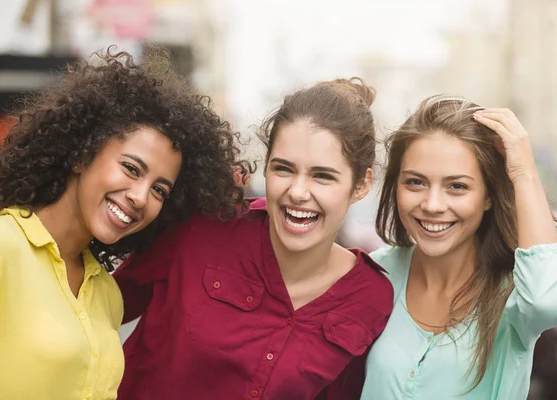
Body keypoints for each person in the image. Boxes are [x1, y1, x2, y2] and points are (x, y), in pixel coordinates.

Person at [0, 47, 247, 400]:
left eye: (160, 190)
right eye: (131, 169)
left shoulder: (107, 295)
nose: (140, 196)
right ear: (81, 153)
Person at [113, 78, 394, 400]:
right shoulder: (204, 226)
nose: (298, 192)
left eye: (322, 176)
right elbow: (97, 310)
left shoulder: (370, 297)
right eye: (284, 169)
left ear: (360, 184)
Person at [361, 95, 557, 399]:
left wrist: (524, 173)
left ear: (488, 196)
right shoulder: (375, 274)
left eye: (457, 186)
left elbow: (550, 302)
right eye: (415, 182)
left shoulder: (515, 294)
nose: (433, 205)